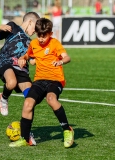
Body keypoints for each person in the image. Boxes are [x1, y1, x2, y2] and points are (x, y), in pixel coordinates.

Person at [9, 18, 74, 148]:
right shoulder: (33, 43)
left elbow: (67, 57)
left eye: (44, 36)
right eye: (39, 35)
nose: (41, 38)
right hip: (39, 80)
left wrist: (61, 61)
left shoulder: (55, 44)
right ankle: (25, 139)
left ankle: (67, 130)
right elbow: (28, 55)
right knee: (28, 103)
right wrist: (22, 58)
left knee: (51, 98)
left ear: (50, 33)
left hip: (56, 80)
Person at [0, 12, 40, 116]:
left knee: (31, 100)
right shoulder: (13, 27)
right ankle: (4, 98)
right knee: (11, 82)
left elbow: (32, 62)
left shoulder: (32, 43)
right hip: (6, 60)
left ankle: (26, 130)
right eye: (35, 26)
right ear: (30, 22)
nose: (36, 30)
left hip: (21, 68)